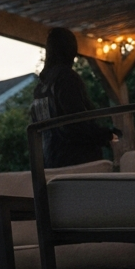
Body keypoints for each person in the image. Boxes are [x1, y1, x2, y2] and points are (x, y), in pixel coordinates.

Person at [31, 27, 117, 168]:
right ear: (71, 50)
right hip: (77, 162)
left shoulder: (40, 88)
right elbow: (76, 124)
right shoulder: (66, 78)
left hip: (50, 164)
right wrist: (106, 135)